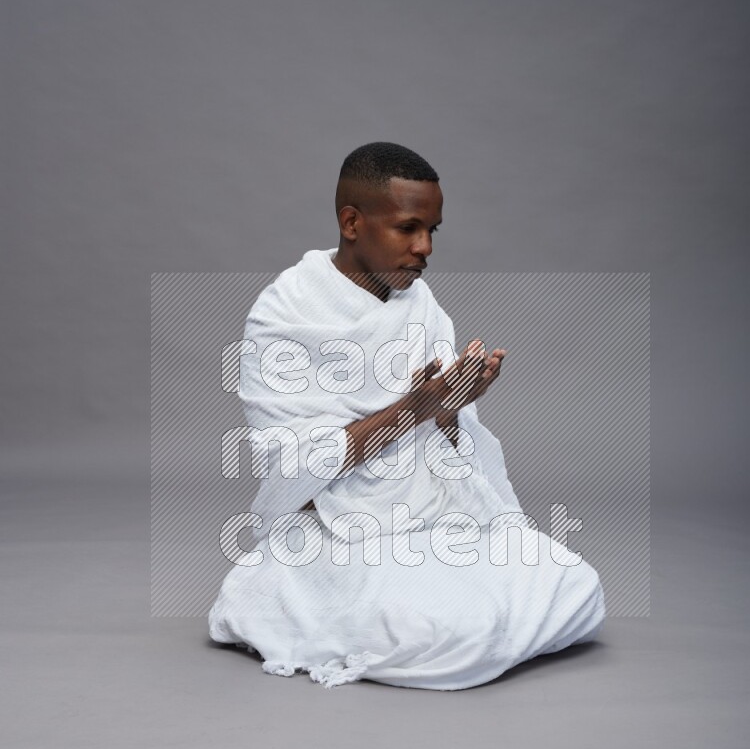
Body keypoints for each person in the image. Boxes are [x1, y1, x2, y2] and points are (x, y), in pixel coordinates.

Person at [208, 142, 605, 688]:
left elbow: (441, 441)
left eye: (433, 231)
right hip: (337, 526)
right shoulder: (284, 317)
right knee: (447, 632)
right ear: (352, 222)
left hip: (433, 512)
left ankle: (460, 607)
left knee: (574, 584)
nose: (425, 249)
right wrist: (413, 409)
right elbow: (291, 468)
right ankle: (302, 593)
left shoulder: (420, 304)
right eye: (409, 228)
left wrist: (450, 409)